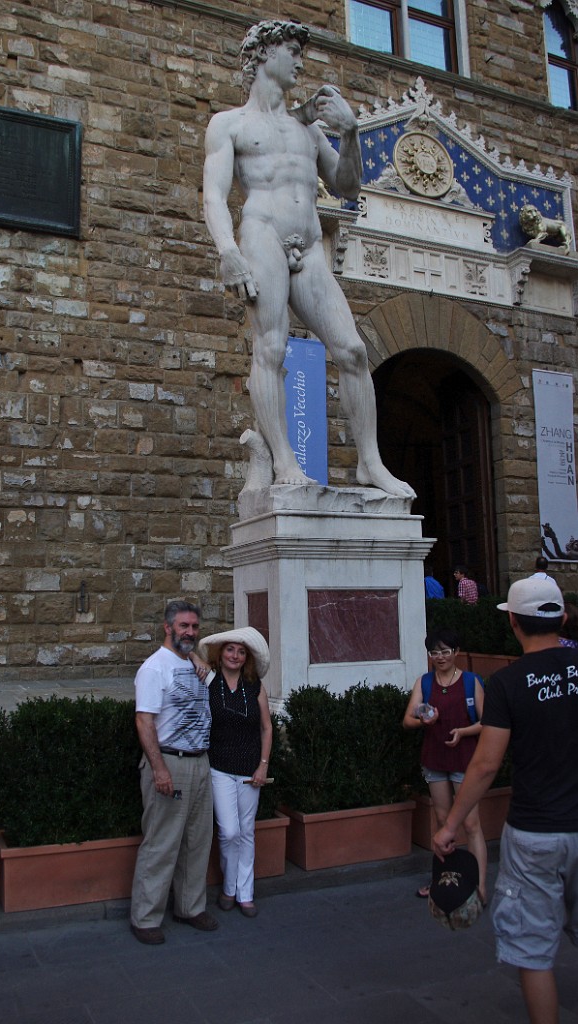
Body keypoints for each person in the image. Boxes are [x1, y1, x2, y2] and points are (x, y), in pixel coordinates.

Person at [202, 19, 414, 499]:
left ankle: (369, 463)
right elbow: (213, 196)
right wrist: (227, 252)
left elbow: (346, 185)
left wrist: (352, 132)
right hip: (261, 237)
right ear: (262, 55)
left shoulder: (308, 127)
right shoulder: (230, 124)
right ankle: (284, 460)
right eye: (292, 51)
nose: (300, 61)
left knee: (353, 351)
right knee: (271, 350)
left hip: (310, 244)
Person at [433, 576, 578, 1024]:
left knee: (533, 953)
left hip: (536, 831)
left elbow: (484, 765)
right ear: (563, 617)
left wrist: (451, 824)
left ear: (513, 622)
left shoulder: (509, 683)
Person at [130, 600, 218, 945]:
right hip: (170, 762)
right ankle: (145, 917)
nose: (190, 632)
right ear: (168, 627)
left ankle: (190, 907)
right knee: (162, 843)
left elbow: (218, 684)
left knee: (198, 841)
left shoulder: (193, 664)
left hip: (200, 762)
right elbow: (144, 720)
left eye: (195, 627)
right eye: (183, 626)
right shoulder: (154, 668)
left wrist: (196, 658)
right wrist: (159, 769)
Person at [403, 628, 486, 901]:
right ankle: (444, 880)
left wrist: (463, 732)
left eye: (445, 651)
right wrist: (424, 721)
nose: (440, 657)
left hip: (465, 759)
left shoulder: (471, 682)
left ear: (456, 652)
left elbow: (486, 723)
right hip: (435, 758)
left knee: (471, 823)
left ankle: (479, 886)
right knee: (442, 820)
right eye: (434, 652)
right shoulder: (424, 683)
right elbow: (408, 720)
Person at [196, 626, 273, 918]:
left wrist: (263, 765)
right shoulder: (211, 681)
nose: (235, 655)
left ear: (247, 658)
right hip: (219, 767)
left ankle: (245, 892)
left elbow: (266, 727)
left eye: (241, 652)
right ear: (221, 652)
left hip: (250, 769)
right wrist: (194, 655)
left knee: (246, 831)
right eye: (230, 649)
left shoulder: (255, 686)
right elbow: (188, 652)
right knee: (229, 832)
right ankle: (228, 886)